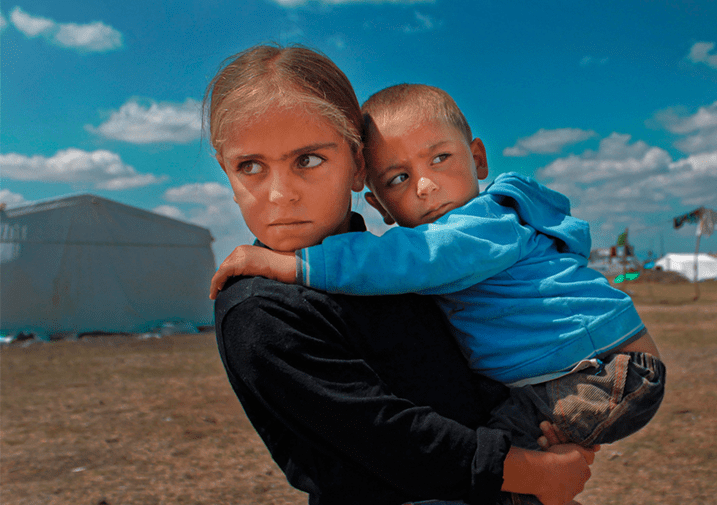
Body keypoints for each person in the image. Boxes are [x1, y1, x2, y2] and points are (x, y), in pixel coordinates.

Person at [210, 83, 666, 502]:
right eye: (398, 179)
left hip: (603, 371)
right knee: (518, 464)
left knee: (520, 462)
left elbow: (412, 257)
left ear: (478, 160)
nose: (426, 186)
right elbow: (386, 434)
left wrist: (287, 264)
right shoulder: (262, 313)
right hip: (573, 376)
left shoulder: (480, 228)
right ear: (379, 204)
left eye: (440, 159)